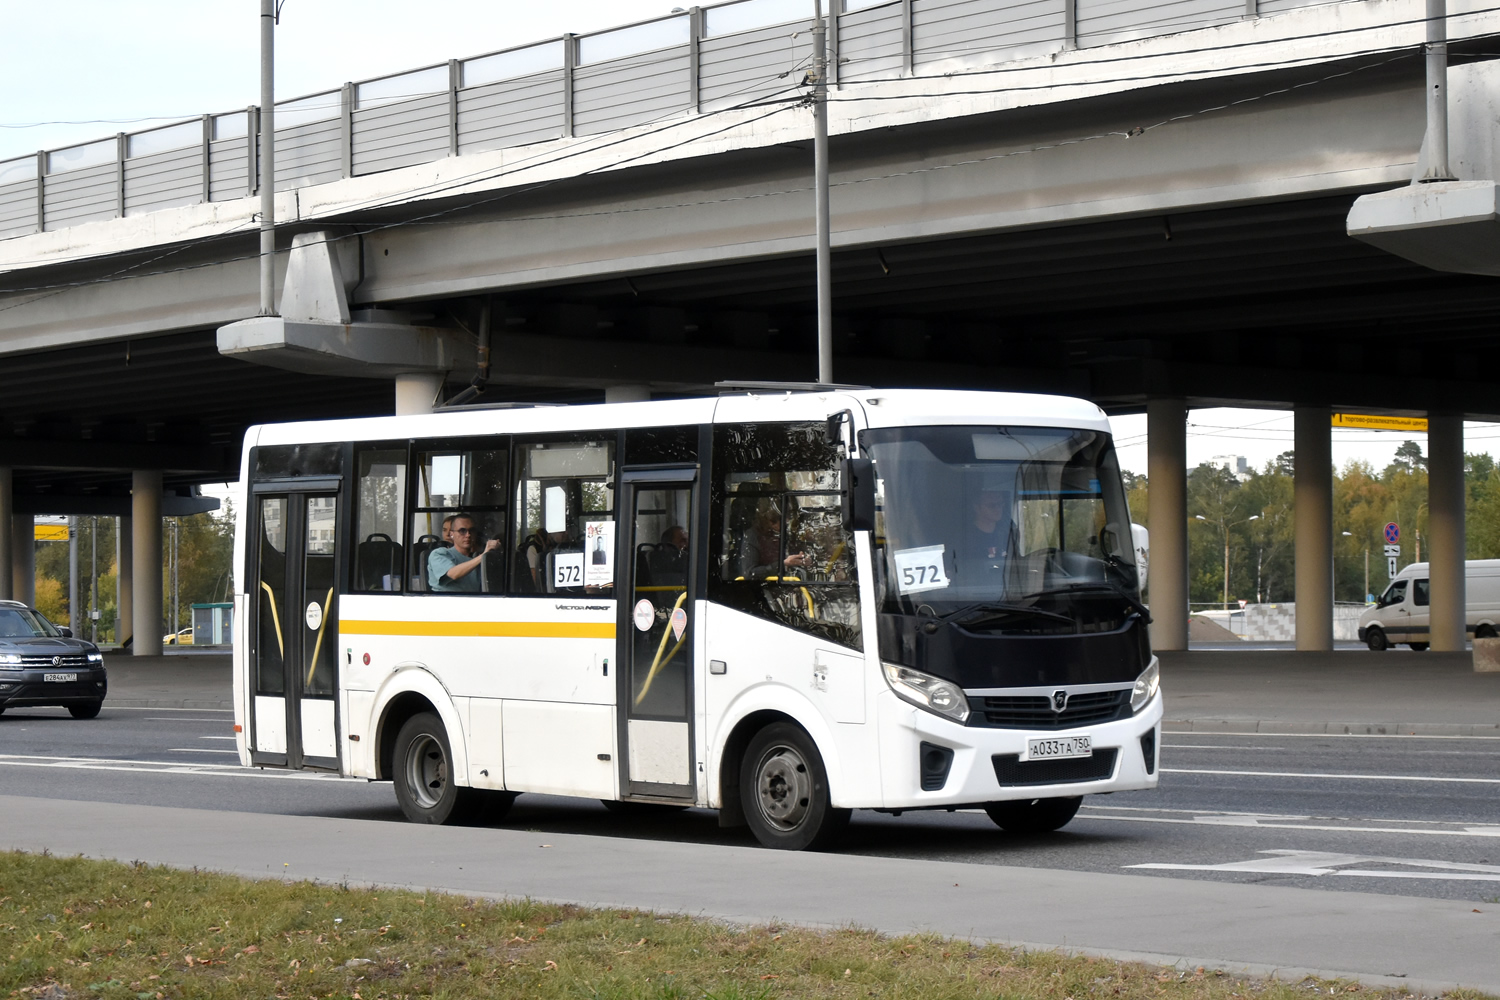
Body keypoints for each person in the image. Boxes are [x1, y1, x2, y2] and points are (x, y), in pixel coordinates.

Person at [428, 513, 498, 592]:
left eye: (471, 530)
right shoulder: (439, 554)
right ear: (452, 534)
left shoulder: (476, 559)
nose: (468, 535)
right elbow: (453, 574)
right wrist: (484, 555)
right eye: (462, 531)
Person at [741, 505, 805, 580]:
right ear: (765, 520)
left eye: (788, 519)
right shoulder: (753, 536)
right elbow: (749, 574)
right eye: (774, 521)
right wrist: (782, 565)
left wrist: (804, 560)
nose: (785, 523)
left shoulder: (789, 534)